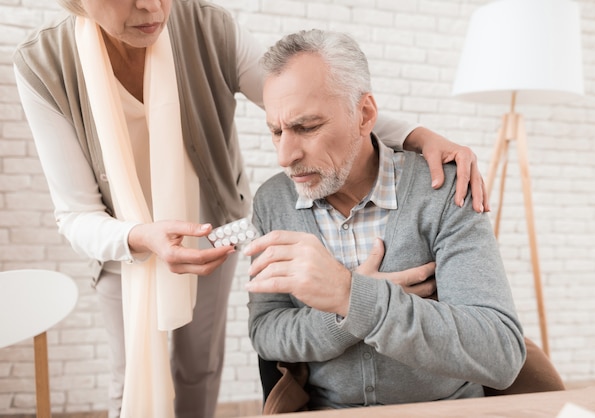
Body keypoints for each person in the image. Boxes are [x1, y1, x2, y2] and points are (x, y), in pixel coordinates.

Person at [13, 1, 487, 417]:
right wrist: (140, 237)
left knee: (197, 370)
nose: (152, 7)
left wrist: (417, 136)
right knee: (132, 377)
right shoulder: (42, 64)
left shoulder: (208, 26)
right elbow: (74, 213)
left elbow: (309, 101)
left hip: (209, 228)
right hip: (125, 240)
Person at [245, 29, 526, 411]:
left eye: (306, 127)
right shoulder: (273, 200)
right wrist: (349, 307)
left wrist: (351, 294)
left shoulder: (442, 191)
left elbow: (500, 352)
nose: (285, 155)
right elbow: (267, 331)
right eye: (276, 131)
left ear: (364, 115)